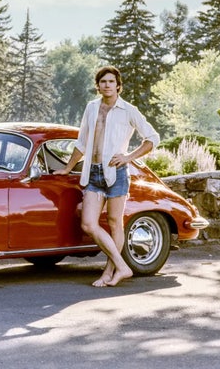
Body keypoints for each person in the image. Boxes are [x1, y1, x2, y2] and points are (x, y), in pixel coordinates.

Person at [54, 66, 159, 287]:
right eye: (103, 82)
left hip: (117, 173)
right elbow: (81, 143)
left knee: (114, 223)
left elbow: (152, 138)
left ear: (118, 86)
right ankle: (122, 266)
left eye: (111, 81)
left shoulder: (128, 110)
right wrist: (67, 167)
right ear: (98, 85)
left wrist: (128, 157)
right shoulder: (91, 108)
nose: (107, 85)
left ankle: (110, 272)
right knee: (89, 224)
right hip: (93, 172)